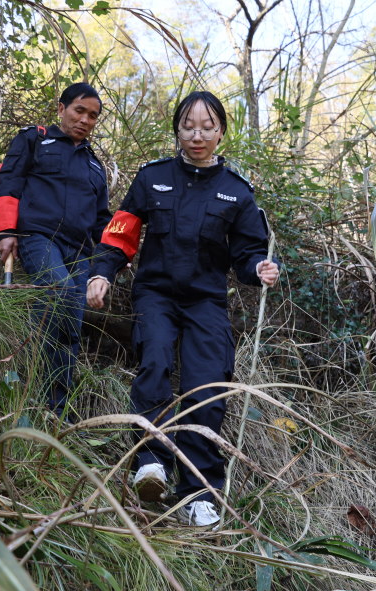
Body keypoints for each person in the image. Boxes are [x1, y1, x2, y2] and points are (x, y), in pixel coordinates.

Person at [86, 91, 279, 527]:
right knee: (153, 364)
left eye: (207, 127)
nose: (197, 136)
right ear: (177, 129)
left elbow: (248, 252)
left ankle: (199, 492)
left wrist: (259, 268)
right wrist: (102, 272)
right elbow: (121, 233)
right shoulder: (152, 178)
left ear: (221, 132)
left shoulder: (237, 192)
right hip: (155, 293)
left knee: (207, 386)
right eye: (189, 126)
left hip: (205, 301)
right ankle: (150, 463)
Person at [0, 82, 110, 420]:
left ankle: (58, 408)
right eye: (79, 111)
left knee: (72, 319)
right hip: (39, 237)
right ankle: (34, 394)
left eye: (93, 116)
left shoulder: (95, 166)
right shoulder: (35, 139)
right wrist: (6, 232)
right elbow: (8, 180)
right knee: (60, 292)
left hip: (81, 250)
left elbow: (102, 220)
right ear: (61, 108)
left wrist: (105, 265)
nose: (85, 120)